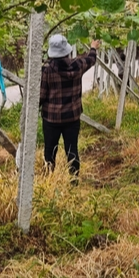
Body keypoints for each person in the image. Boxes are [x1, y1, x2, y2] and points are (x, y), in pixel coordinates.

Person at [40, 34, 99, 177]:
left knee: (50, 151)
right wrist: (93, 47)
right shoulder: (77, 65)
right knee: (72, 149)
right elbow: (91, 59)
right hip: (72, 117)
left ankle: (49, 179)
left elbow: (41, 96)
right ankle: (74, 180)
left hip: (51, 119)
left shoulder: (47, 70)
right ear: (66, 50)